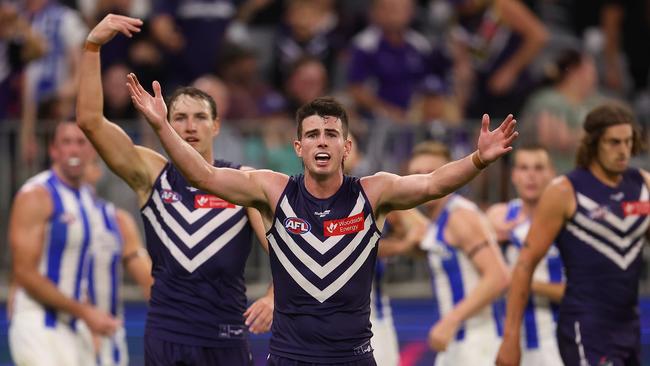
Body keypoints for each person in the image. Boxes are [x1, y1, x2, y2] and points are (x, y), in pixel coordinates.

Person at [126, 47, 517, 364]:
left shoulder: (372, 193)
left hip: (354, 358)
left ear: (346, 146)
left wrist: (478, 159)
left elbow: (432, 184)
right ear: (299, 147)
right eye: (312, 134)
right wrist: (163, 127)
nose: (322, 141)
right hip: (289, 357)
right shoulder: (272, 191)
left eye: (332, 134)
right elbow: (205, 176)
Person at [77, 14, 273, 365]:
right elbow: (91, 122)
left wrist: (275, 297)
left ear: (216, 125)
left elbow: (284, 250)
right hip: (167, 336)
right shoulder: (153, 175)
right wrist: (92, 47)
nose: (190, 126)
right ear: (166, 121)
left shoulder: (242, 182)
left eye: (200, 117)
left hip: (225, 336)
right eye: (179, 117)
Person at [496, 102, 650, 366]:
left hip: (629, 324)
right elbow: (524, 264)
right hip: (584, 325)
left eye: (628, 141)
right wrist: (510, 338)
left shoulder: (644, 185)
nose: (624, 151)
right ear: (593, 144)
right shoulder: (564, 191)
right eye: (614, 142)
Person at [380, 142, 510, 366]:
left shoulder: (459, 216)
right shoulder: (438, 220)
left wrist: (450, 321)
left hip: (478, 342)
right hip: (459, 344)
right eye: (416, 174)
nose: (422, 179)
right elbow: (424, 242)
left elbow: (499, 277)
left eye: (430, 172)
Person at [8, 121, 120, 366]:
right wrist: (85, 313)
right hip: (39, 323)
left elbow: (78, 271)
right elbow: (24, 272)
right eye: (66, 143)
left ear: (91, 151)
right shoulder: (36, 194)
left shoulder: (88, 200)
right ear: (53, 151)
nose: (74, 150)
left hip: (72, 325)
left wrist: (90, 317)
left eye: (81, 143)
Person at [486, 145, 564, 366]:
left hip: (556, 345)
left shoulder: (566, 224)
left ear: (552, 174)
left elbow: (581, 294)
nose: (531, 175)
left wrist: (521, 280)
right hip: (505, 341)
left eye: (539, 168)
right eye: (524, 168)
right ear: (514, 175)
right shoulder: (497, 218)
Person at [79, 154, 154, 366]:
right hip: (60, 333)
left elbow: (150, 284)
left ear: (97, 170)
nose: (77, 156)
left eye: (85, 155)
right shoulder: (45, 213)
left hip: (107, 339)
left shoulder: (117, 221)